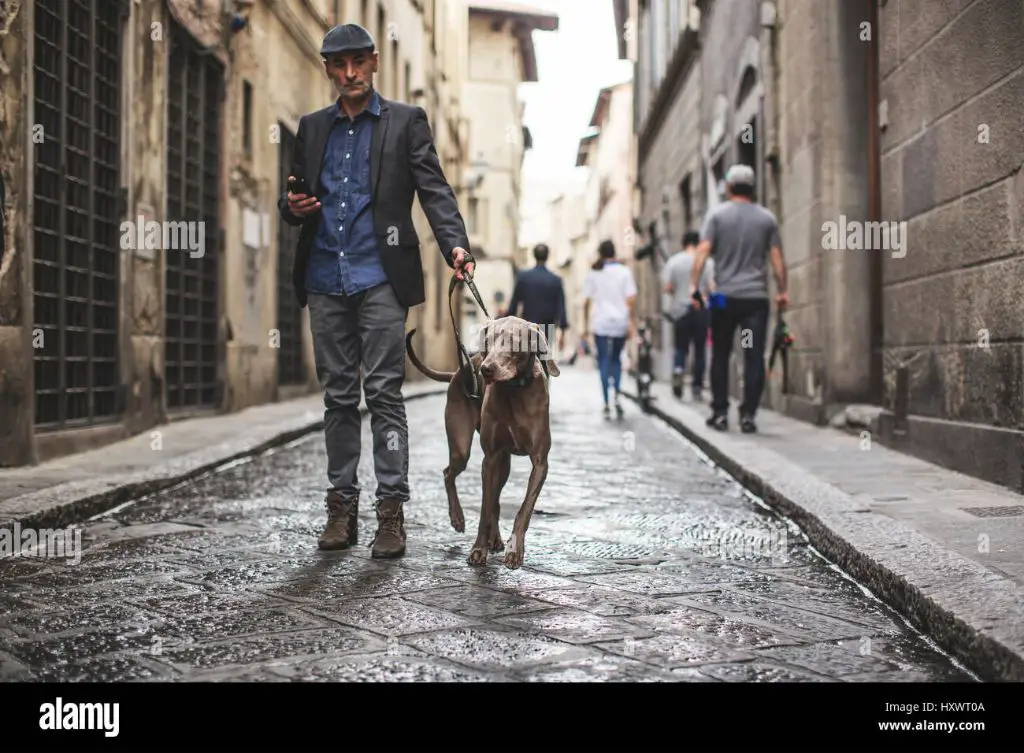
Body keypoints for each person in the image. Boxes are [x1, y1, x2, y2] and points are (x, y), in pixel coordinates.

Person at [279, 23, 473, 558]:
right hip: (324, 277)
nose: (349, 74)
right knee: (338, 396)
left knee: (384, 393)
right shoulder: (311, 127)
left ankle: (391, 513)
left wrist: (455, 246)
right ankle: (340, 510)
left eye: (358, 63)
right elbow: (294, 198)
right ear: (327, 69)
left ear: (374, 62)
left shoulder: (406, 122)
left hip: (382, 277)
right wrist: (290, 208)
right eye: (339, 66)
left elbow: (434, 190)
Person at [689, 164, 789, 434]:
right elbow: (777, 260)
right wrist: (782, 291)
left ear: (729, 187)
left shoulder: (717, 216)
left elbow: (702, 252)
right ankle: (748, 415)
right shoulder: (767, 219)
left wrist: (693, 286)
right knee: (753, 356)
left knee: (720, 353)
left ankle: (720, 413)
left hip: (723, 297)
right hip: (755, 298)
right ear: (752, 188)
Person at [582, 239, 637, 419]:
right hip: (620, 321)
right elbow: (630, 300)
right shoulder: (624, 272)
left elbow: (586, 301)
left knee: (604, 361)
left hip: (601, 322)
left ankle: (606, 402)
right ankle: (617, 396)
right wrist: (631, 323)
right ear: (614, 252)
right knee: (616, 361)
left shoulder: (594, 272)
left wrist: (585, 325)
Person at [663, 230, 714, 401]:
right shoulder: (708, 262)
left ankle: (678, 369)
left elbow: (668, 287)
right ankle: (697, 386)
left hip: (681, 311)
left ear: (684, 243)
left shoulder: (674, 262)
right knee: (700, 350)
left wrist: (680, 291)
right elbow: (712, 287)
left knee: (681, 348)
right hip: (701, 310)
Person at [505, 243, 569, 353]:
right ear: (547, 256)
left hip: (528, 326)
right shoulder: (556, 280)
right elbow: (561, 307)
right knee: (545, 361)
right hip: (548, 328)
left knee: (527, 361)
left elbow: (514, 304)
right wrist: (562, 330)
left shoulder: (523, 277)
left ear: (534, 255)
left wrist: (507, 323)